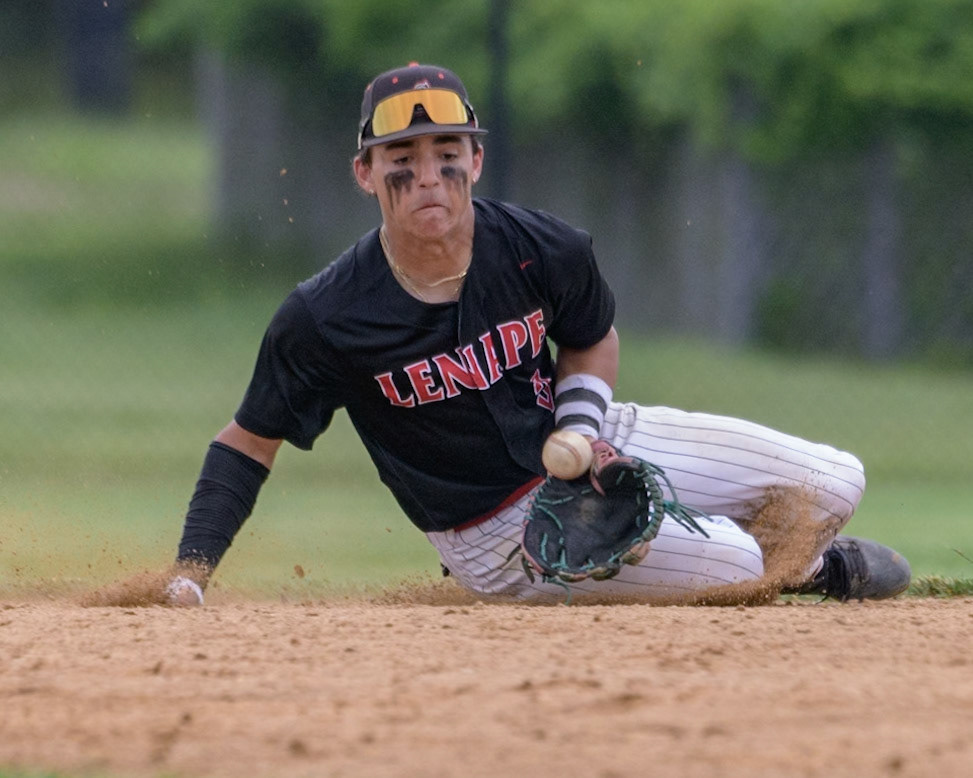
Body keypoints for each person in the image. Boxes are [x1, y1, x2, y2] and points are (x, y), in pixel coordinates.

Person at [165, 63, 910, 606]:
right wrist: (191, 571)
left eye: (446, 152)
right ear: (365, 172)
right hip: (491, 528)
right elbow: (248, 440)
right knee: (739, 564)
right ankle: (811, 572)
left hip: (591, 436)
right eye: (402, 160)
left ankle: (684, 534)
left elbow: (590, 338)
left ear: (476, 159)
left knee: (834, 479)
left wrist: (584, 431)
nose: (428, 175)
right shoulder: (325, 316)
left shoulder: (541, 247)